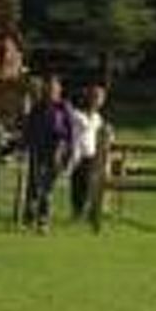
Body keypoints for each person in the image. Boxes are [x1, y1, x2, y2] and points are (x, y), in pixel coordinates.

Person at [19, 74, 72, 232]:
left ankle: (43, 220)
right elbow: (29, 129)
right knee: (33, 185)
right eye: (48, 88)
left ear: (59, 90)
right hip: (37, 150)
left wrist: (67, 155)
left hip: (56, 151)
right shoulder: (37, 107)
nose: (50, 91)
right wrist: (24, 146)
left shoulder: (63, 107)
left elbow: (69, 135)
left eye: (54, 88)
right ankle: (29, 217)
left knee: (47, 188)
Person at [67, 82, 107, 221]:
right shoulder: (77, 115)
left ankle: (86, 212)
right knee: (76, 185)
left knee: (88, 184)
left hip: (91, 156)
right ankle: (77, 213)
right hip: (77, 155)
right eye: (95, 97)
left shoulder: (97, 118)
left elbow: (101, 134)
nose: (97, 101)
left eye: (100, 98)